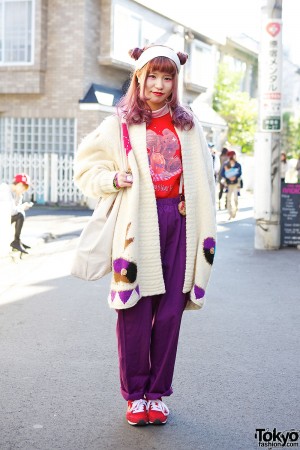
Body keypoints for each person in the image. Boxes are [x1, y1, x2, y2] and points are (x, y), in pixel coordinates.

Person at [73, 44, 216, 426]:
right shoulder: (120, 122)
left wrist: (193, 201)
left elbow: (205, 172)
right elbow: (87, 169)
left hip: (180, 222)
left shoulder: (188, 122)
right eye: (152, 75)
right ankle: (135, 395)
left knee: (170, 312)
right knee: (134, 309)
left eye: (167, 77)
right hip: (138, 221)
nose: (159, 84)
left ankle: (157, 393)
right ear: (138, 77)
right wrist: (113, 178)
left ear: (175, 82)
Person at [0, 173, 33, 253]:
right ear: (19, 184)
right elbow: (11, 212)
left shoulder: (15, 193)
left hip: (4, 217)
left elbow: (14, 209)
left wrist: (19, 196)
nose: (24, 190)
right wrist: (23, 207)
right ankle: (16, 241)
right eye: (23, 187)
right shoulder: (5, 190)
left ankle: (17, 241)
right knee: (20, 214)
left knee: (20, 214)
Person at [220, 151, 242, 220]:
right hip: (228, 184)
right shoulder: (226, 164)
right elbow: (222, 173)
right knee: (228, 199)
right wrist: (228, 177)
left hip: (235, 183)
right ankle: (230, 213)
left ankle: (235, 211)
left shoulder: (237, 164)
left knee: (235, 198)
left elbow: (240, 173)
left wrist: (235, 176)